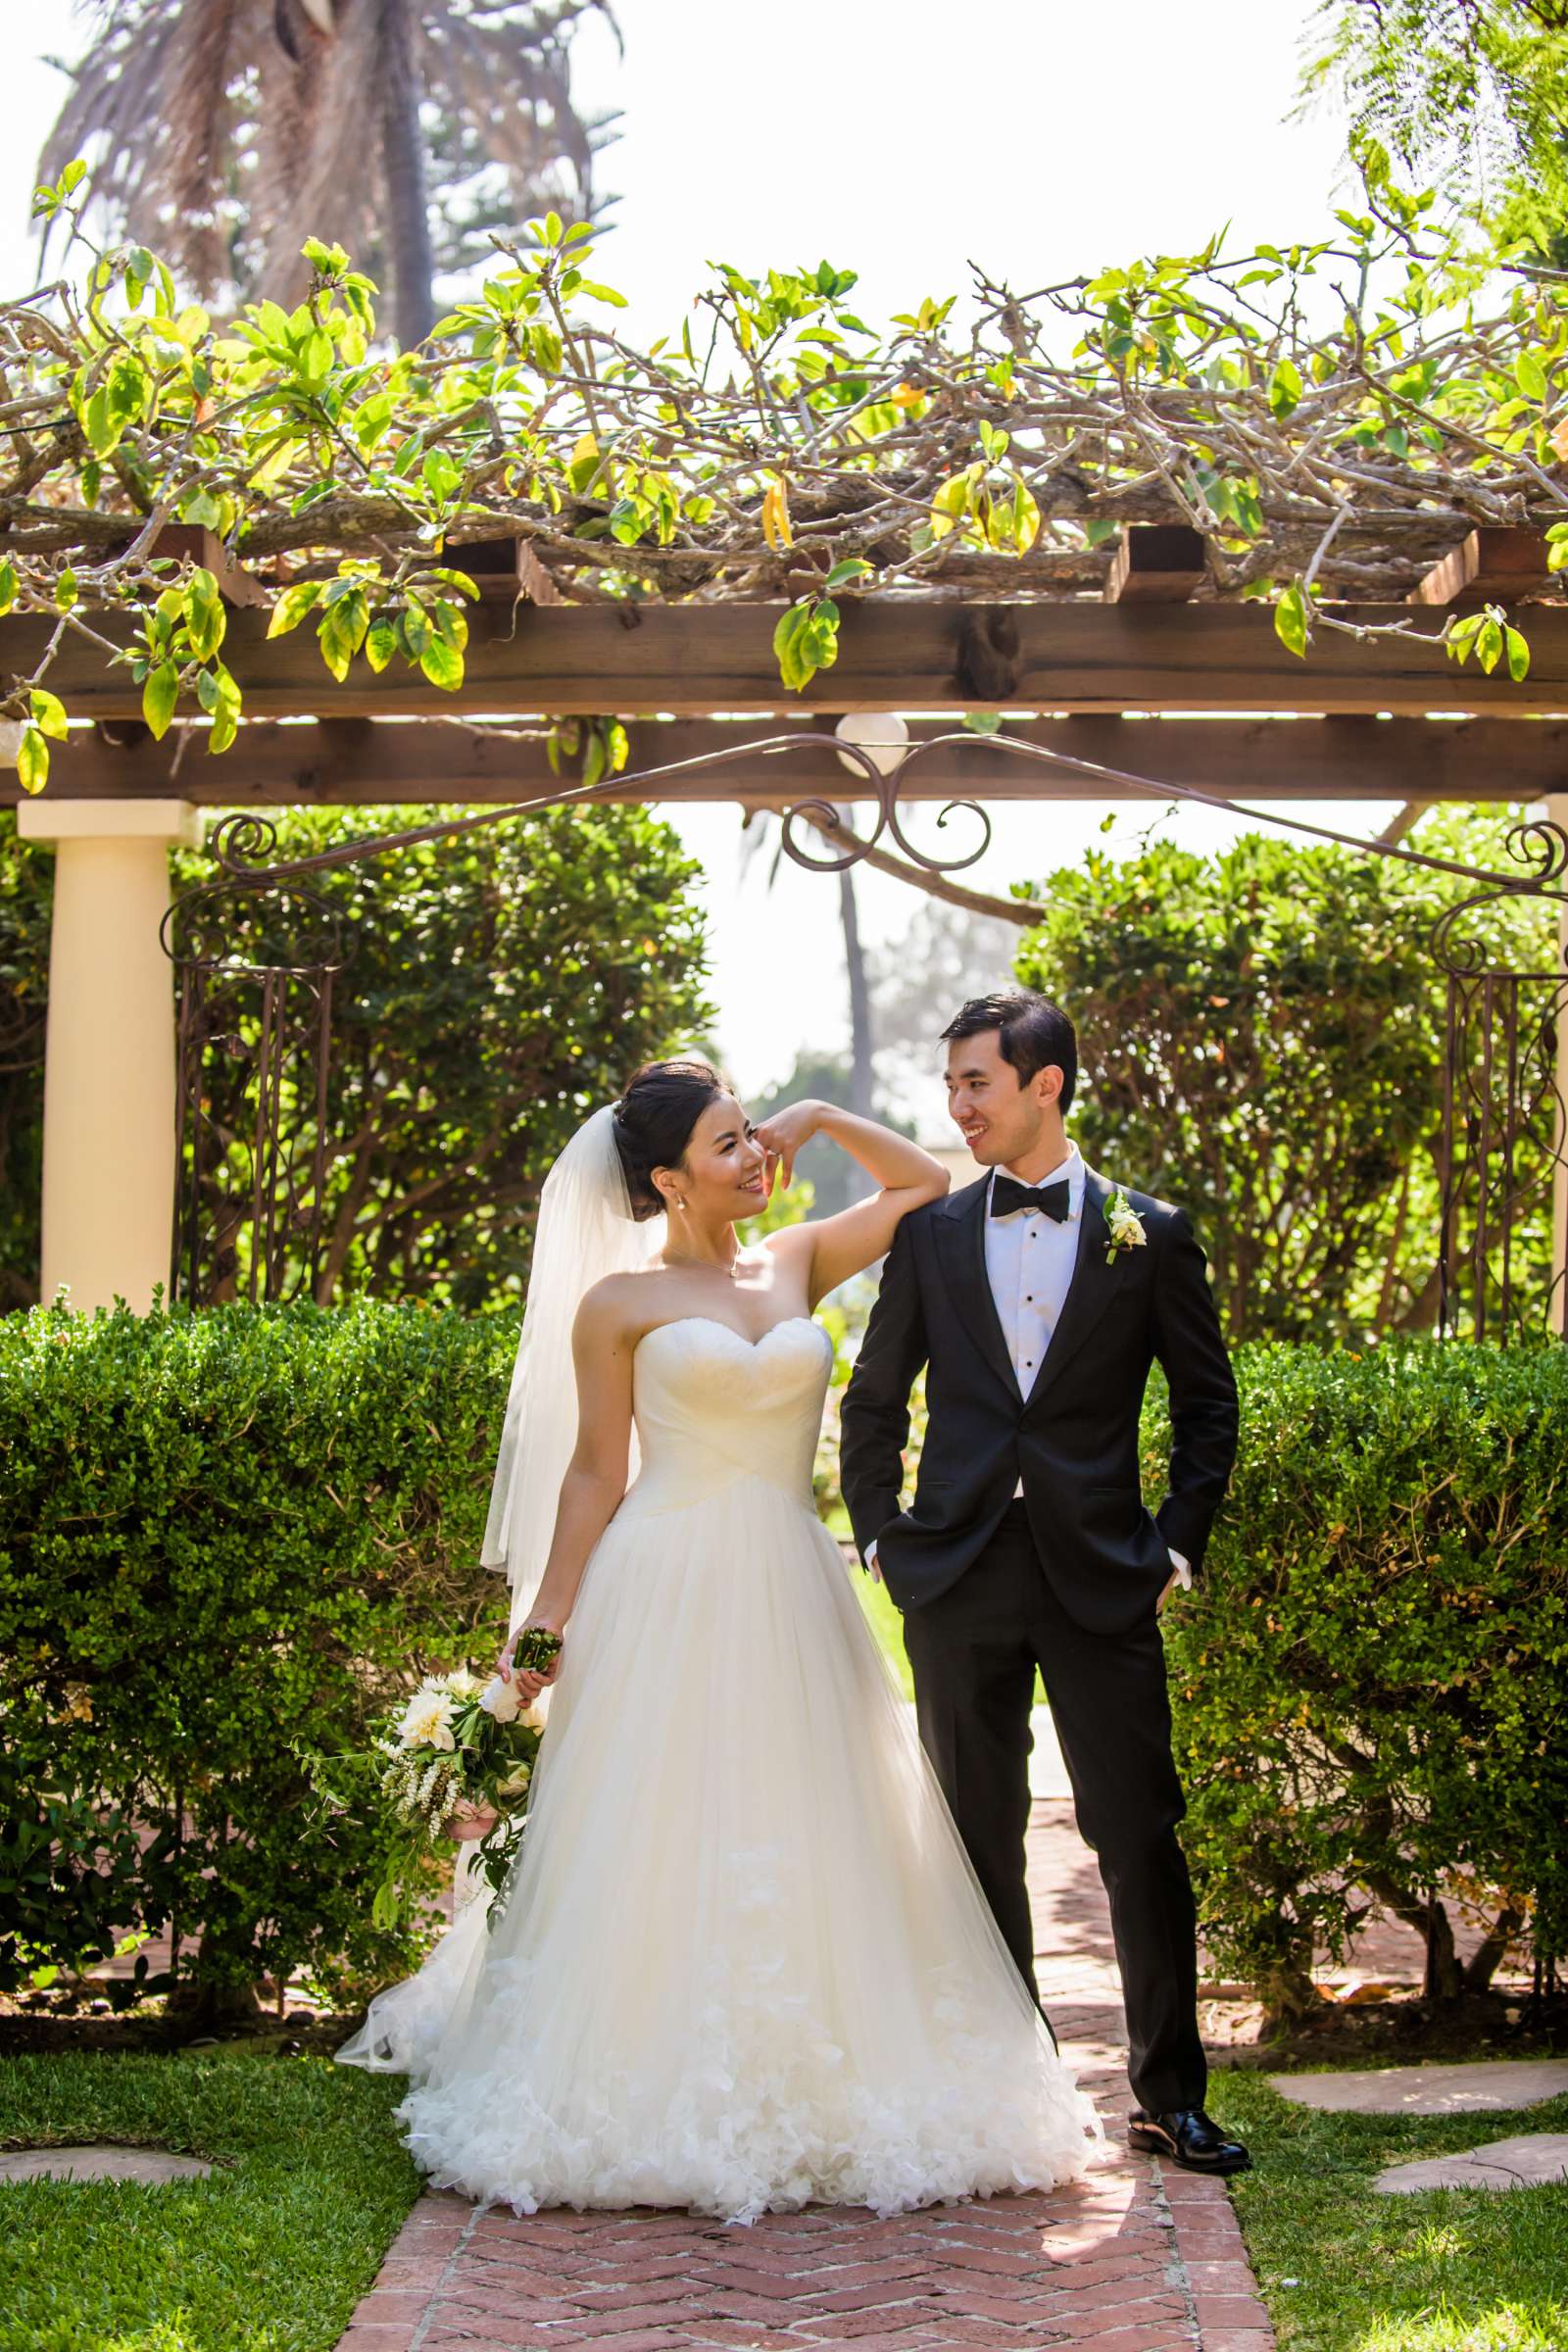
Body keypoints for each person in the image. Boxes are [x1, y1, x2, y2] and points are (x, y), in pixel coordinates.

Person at [338, 1057, 1102, 2222]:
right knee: (661, 1825)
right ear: (665, 1179)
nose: (755, 1159)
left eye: (754, 1137)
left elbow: (915, 1189)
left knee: (816, 1811)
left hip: (789, 1580)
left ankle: (829, 2065)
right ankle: (643, 2074)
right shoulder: (620, 1307)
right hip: (661, 1580)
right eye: (727, 1146)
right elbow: (598, 1473)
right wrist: (547, 1616)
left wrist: (820, 1116)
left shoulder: (794, 1259)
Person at [840, 991, 1250, 2177]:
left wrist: (1173, 1548)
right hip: (955, 1574)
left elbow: (1207, 1406)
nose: (956, 1107)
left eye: (975, 1083)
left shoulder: (1150, 1234)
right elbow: (873, 1405)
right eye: (952, 1083)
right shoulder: (928, 1236)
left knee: (1139, 1833)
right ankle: (1004, 2098)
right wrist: (884, 1541)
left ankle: (1170, 2098)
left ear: (1045, 1087)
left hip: (1103, 1575)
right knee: (978, 1841)